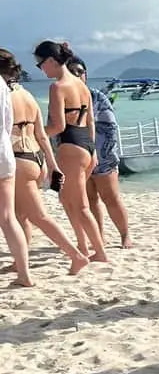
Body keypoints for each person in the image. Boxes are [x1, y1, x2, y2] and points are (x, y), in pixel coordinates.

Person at [0, 49, 89, 278]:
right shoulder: (28, 96)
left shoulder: (6, 96)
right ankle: (20, 262)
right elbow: (41, 135)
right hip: (36, 158)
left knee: (38, 216)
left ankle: (76, 256)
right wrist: (51, 164)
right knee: (20, 215)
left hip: (19, 158)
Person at [34, 40, 108, 262]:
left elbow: (58, 126)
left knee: (80, 205)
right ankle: (83, 246)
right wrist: (93, 150)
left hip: (70, 147)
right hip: (86, 145)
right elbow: (90, 121)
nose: (41, 69)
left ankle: (100, 252)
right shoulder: (81, 85)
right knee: (67, 200)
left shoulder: (58, 87)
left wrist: (34, 134)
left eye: (40, 64)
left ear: (50, 60)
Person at [67, 56, 133, 248]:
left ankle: (125, 235)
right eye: (71, 71)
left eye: (80, 71)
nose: (76, 75)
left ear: (85, 75)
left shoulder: (97, 97)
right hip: (77, 157)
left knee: (111, 197)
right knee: (90, 199)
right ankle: (100, 236)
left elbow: (110, 128)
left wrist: (104, 154)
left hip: (103, 156)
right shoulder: (62, 97)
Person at [0, 60, 32, 286]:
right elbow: (8, 123)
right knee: (8, 218)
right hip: (5, 153)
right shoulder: (4, 86)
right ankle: (24, 274)